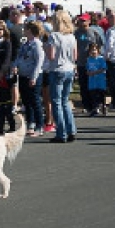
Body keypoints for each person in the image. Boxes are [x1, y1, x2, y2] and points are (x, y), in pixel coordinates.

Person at [44, 11, 78, 143]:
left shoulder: (54, 36)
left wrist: (45, 47)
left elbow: (51, 56)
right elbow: (75, 56)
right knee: (64, 101)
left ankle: (61, 133)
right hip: (69, 68)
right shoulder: (71, 36)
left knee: (56, 102)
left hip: (57, 69)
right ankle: (71, 130)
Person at [12, 21, 44, 137]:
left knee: (35, 101)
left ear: (30, 30)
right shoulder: (25, 44)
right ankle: (30, 123)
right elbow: (19, 57)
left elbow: (39, 62)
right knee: (26, 101)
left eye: (25, 29)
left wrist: (34, 77)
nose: (23, 31)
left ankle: (39, 126)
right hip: (23, 75)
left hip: (33, 76)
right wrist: (15, 65)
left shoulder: (37, 44)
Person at [74, 13, 104, 113]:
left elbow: (100, 46)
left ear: (89, 21)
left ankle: (96, 105)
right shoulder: (76, 33)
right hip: (81, 63)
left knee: (93, 86)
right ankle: (86, 105)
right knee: (83, 85)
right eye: (80, 20)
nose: (82, 22)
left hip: (92, 64)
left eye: (84, 20)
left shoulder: (94, 32)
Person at [0, 20, 15, 134]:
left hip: (3, 76)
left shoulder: (7, 43)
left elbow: (7, 60)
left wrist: (2, 72)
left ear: (4, 30)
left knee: (4, 103)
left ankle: (11, 124)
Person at [86, 43, 107, 116]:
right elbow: (87, 69)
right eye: (92, 50)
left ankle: (103, 106)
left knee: (101, 95)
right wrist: (89, 73)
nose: (93, 51)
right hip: (92, 82)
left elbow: (103, 69)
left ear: (98, 50)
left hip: (100, 81)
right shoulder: (89, 59)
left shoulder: (101, 59)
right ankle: (95, 108)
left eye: (94, 50)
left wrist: (95, 72)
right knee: (93, 95)